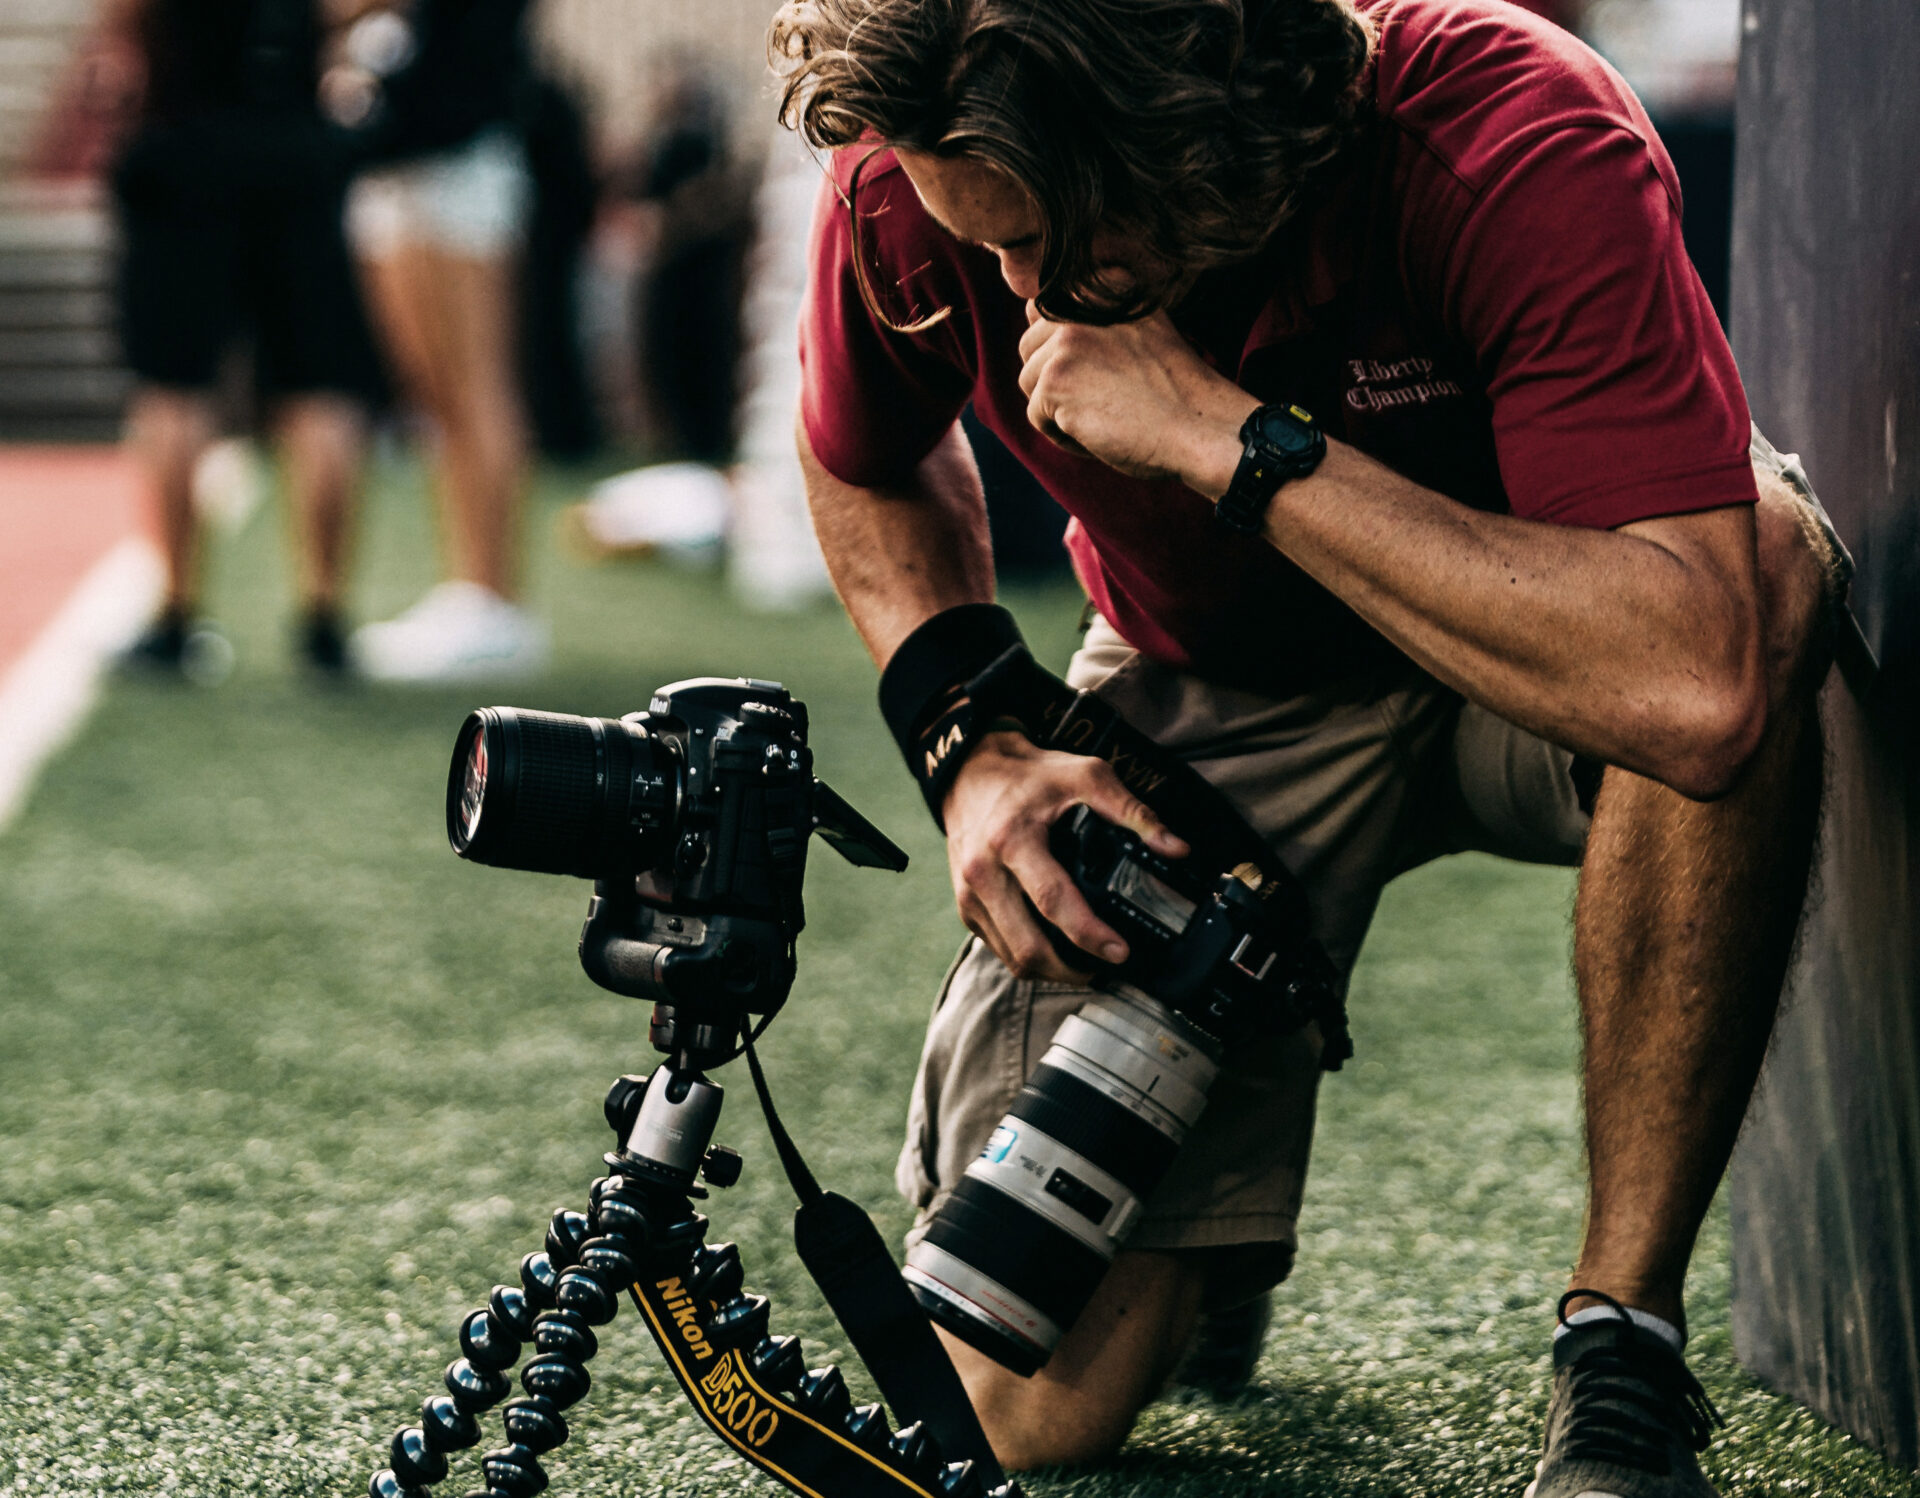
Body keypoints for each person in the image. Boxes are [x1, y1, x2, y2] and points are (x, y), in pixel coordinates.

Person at [771, 0, 1848, 1494]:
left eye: (1055, 243)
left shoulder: (1509, 128)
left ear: (1200, 138)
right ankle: (1210, 1249)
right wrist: (976, 736)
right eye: (989, 243)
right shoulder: (916, 171)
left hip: (1545, 643)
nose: (1019, 294)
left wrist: (1229, 437)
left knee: (1773, 570)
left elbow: (1691, 680)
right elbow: (858, 455)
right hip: (1211, 687)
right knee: (1025, 1414)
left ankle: (1623, 1337)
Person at [111, 0, 378, 678]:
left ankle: (175, 619)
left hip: (186, 148)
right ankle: (324, 623)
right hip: (294, 153)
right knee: (320, 388)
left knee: (175, 389)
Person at [334, 0, 549, 681]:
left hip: (458, 163)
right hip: (403, 167)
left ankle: (494, 600)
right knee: (437, 396)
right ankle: (468, 590)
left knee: (476, 384)